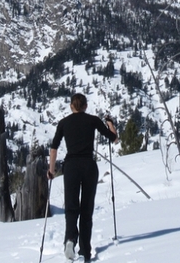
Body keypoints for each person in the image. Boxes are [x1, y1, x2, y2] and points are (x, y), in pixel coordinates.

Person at [48, 93, 118, 262]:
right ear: (85, 106)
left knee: (71, 207)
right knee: (86, 209)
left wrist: (51, 170)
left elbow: (54, 148)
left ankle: (70, 239)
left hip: (71, 167)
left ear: (71, 106)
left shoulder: (64, 123)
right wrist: (110, 123)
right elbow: (114, 138)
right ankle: (85, 251)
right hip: (88, 166)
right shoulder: (93, 120)